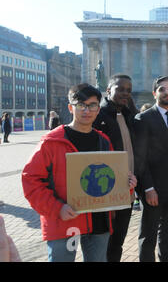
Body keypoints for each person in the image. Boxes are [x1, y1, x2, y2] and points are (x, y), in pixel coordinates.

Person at [22, 83, 137, 262]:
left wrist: (127, 185)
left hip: (99, 222)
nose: (86, 110)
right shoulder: (52, 142)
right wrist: (57, 208)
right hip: (65, 221)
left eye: (92, 105)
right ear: (71, 107)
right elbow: (31, 181)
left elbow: (111, 179)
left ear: (98, 109)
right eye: (81, 105)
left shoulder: (104, 140)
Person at [134, 76, 168, 262]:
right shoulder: (143, 118)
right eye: (162, 89)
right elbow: (140, 158)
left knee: (167, 239)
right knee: (148, 238)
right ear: (155, 93)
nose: (167, 92)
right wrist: (148, 188)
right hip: (153, 190)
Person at [92, 74, 138, 262]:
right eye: (120, 89)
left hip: (126, 190)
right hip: (105, 191)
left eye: (128, 90)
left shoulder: (129, 115)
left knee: (118, 241)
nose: (125, 93)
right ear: (109, 90)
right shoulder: (98, 116)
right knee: (102, 243)